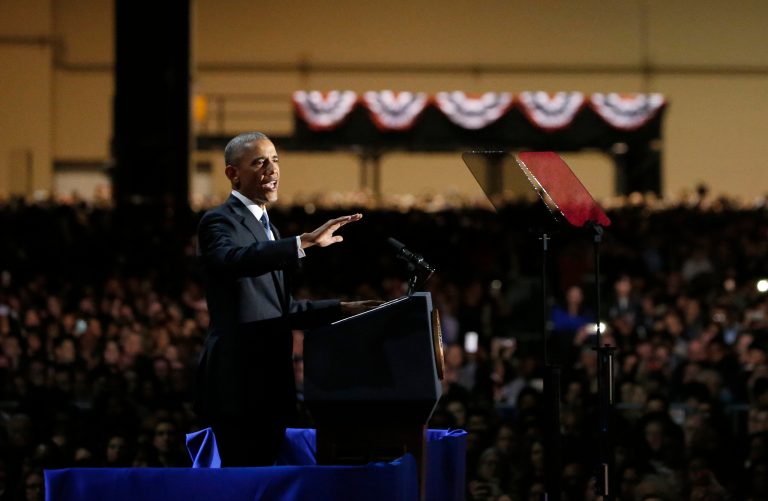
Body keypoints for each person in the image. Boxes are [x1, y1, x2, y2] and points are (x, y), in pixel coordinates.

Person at [195, 131, 378, 466]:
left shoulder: (271, 230)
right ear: (232, 173)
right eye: (259, 162)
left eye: (275, 159)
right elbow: (230, 260)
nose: (272, 169)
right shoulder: (218, 221)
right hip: (238, 382)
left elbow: (285, 311)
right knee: (244, 481)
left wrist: (344, 309)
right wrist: (301, 243)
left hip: (271, 383)